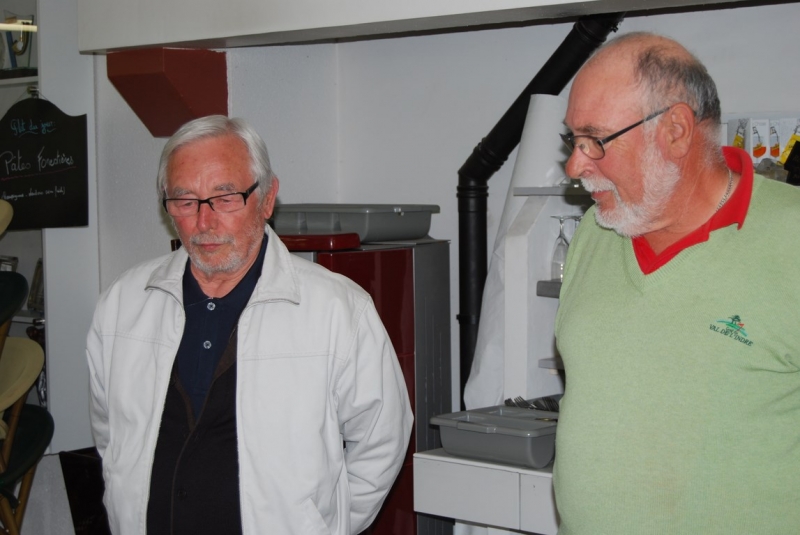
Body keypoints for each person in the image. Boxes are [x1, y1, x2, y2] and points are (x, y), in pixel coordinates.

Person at [86, 115, 413, 535]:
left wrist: (320, 526)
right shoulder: (122, 305)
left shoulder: (338, 310)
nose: (204, 222)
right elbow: (110, 436)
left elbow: (382, 440)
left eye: (225, 198)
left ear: (267, 197)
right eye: (185, 201)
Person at [554, 32, 800, 534]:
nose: (576, 166)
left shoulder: (790, 238)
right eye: (572, 141)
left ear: (676, 131)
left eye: (595, 140)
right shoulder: (593, 235)